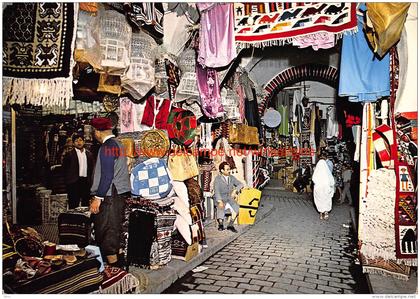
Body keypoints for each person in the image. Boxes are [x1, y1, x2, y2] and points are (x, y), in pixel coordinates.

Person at [89, 117, 131, 268]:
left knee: (107, 233)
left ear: (97, 132)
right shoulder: (117, 144)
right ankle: (120, 269)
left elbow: (107, 175)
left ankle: (115, 273)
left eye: (93, 131)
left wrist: (98, 198)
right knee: (114, 230)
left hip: (110, 195)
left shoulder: (107, 147)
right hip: (117, 194)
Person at [62, 133, 94, 209]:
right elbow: (64, 169)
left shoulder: (89, 154)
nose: (79, 142)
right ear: (73, 143)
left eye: (80, 140)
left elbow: (92, 168)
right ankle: (73, 220)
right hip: (74, 181)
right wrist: (67, 181)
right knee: (73, 203)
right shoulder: (69, 154)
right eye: (76, 141)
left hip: (86, 181)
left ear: (83, 142)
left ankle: (84, 219)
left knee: (86, 202)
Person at [214, 161, 244, 233]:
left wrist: (235, 190)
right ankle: (220, 224)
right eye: (227, 169)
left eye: (229, 169)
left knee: (236, 208)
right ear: (222, 170)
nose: (229, 171)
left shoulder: (232, 178)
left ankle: (230, 225)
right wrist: (219, 201)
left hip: (229, 199)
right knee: (220, 208)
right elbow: (216, 190)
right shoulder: (218, 179)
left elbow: (241, 184)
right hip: (220, 198)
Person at [312, 155, 335, 220]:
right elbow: (332, 181)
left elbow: (314, 179)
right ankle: (326, 212)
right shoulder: (327, 172)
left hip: (318, 188)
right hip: (326, 188)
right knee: (326, 200)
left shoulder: (317, 171)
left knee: (320, 200)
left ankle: (321, 213)